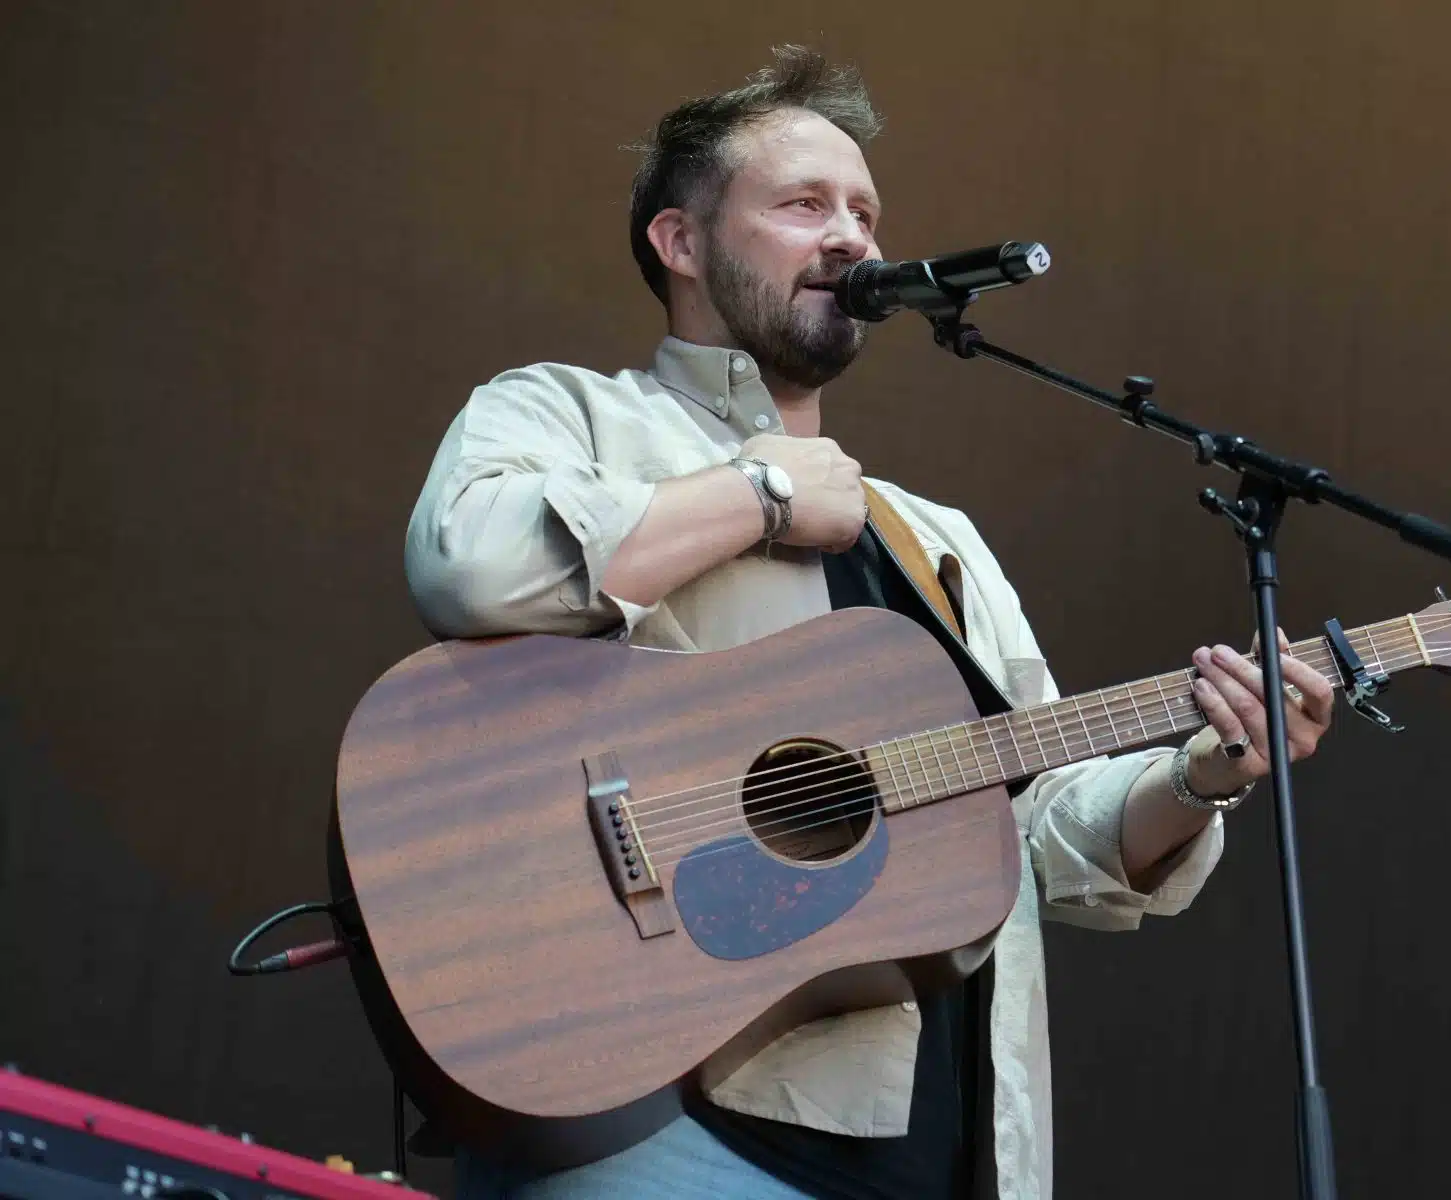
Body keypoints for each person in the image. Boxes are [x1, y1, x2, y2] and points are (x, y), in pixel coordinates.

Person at [402, 45, 1336, 1200]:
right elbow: (470, 564)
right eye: (803, 205)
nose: (853, 239)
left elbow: (1031, 828)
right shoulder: (569, 415)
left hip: (952, 1157)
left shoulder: (932, 536)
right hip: (664, 1119)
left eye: (866, 212)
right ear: (680, 242)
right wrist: (766, 493)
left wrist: (1202, 775)